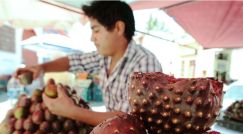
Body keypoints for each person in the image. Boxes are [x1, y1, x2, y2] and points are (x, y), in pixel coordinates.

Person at [15, 1, 162, 126]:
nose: (92, 38)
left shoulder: (145, 64)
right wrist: (42, 68)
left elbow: (132, 121)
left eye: (96, 30)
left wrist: (72, 111)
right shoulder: (104, 57)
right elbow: (73, 61)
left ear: (118, 28)